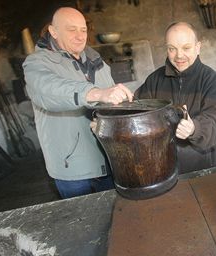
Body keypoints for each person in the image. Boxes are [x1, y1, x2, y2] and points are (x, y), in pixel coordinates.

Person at [22, 7, 133, 199]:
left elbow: (110, 101)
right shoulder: (37, 63)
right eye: (71, 29)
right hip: (73, 169)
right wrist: (96, 93)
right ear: (53, 31)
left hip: (108, 159)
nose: (80, 36)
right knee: (82, 222)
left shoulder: (96, 60)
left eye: (83, 29)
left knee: (115, 217)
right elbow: (49, 90)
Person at [135, 22, 216, 174]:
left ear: (197, 47)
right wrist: (112, 116)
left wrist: (194, 128)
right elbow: (136, 110)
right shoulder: (154, 80)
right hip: (161, 166)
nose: (179, 55)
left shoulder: (211, 80)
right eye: (172, 49)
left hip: (201, 167)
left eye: (186, 48)